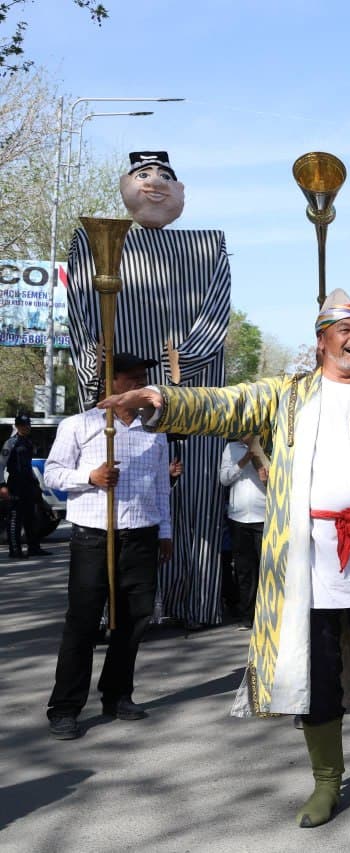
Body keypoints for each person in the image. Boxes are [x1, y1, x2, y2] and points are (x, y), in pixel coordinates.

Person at [98, 290, 350, 827]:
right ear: (321, 338)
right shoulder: (284, 395)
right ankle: (327, 784)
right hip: (304, 565)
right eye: (346, 330)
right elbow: (222, 404)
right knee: (315, 677)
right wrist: (160, 397)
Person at [66, 151, 232, 627]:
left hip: (189, 386)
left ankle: (192, 601)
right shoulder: (93, 239)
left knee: (194, 493)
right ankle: (111, 611)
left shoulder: (209, 246)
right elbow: (82, 307)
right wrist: (101, 362)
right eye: (144, 175)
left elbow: (215, 313)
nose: (155, 183)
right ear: (125, 185)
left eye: (165, 177)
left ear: (181, 193)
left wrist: (181, 367)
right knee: (121, 489)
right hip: (114, 379)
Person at [44, 353, 172, 740]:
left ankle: (117, 694)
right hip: (94, 537)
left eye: (143, 379)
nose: (140, 386)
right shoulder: (80, 425)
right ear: (111, 383)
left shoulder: (155, 431)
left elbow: (161, 487)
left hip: (142, 536)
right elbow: (52, 473)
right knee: (82, 623)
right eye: (132, 379)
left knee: (134, 621)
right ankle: (65, 707)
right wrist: (91, 476)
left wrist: (165, 530)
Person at [218, 435, 268, 630]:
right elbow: (224, 479)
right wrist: (243, 461)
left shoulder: (267, 446)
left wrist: (265, 474)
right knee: (244, 570)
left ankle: (266, 614)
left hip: (263, 516)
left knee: (265, 568)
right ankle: (248, 615)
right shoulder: (230, 448)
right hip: (238, 518)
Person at [4, 413, 50, 558]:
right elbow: (1, 464)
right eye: (22, 425)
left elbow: (28, 465)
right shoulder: (11, 443)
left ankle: (34, 547)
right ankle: (15, 550)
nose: (26, 427)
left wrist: (35, 483)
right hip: (15, 483)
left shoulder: (28, 442)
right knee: (15, 517)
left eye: (27, 425)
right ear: (17, 426)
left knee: (31, 517)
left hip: (28, 483)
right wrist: (1, 486)